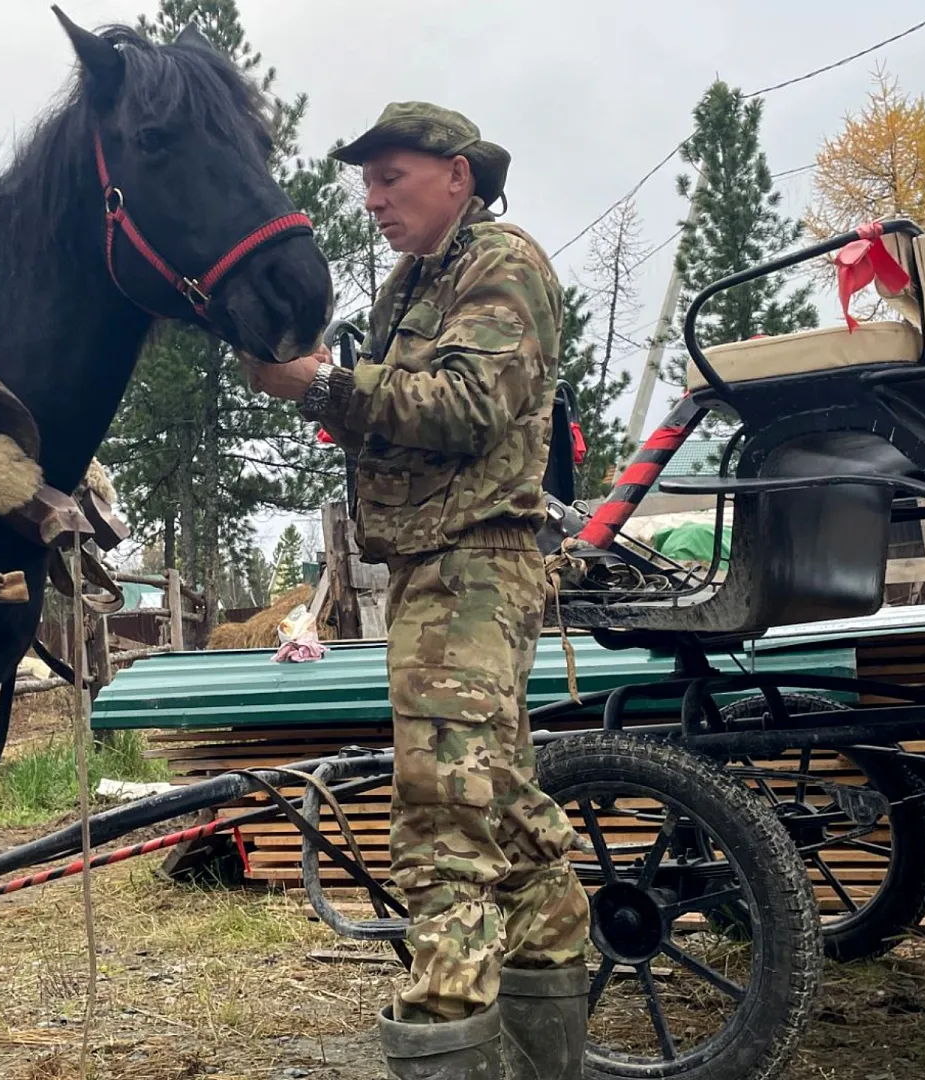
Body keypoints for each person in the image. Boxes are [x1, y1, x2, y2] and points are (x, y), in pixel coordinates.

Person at [242, 101, 591, 1080]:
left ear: (457, 177)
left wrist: (321, 385)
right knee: (512, 826)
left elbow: (469, 406)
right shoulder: (409, 285)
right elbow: (391, 417)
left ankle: (447, 1026)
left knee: (442, 827)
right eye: (367, 179)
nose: (373, 196)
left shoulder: (502, 263)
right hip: (434, 569)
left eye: (392, 176)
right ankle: (545, 1049)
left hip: (475, 565)